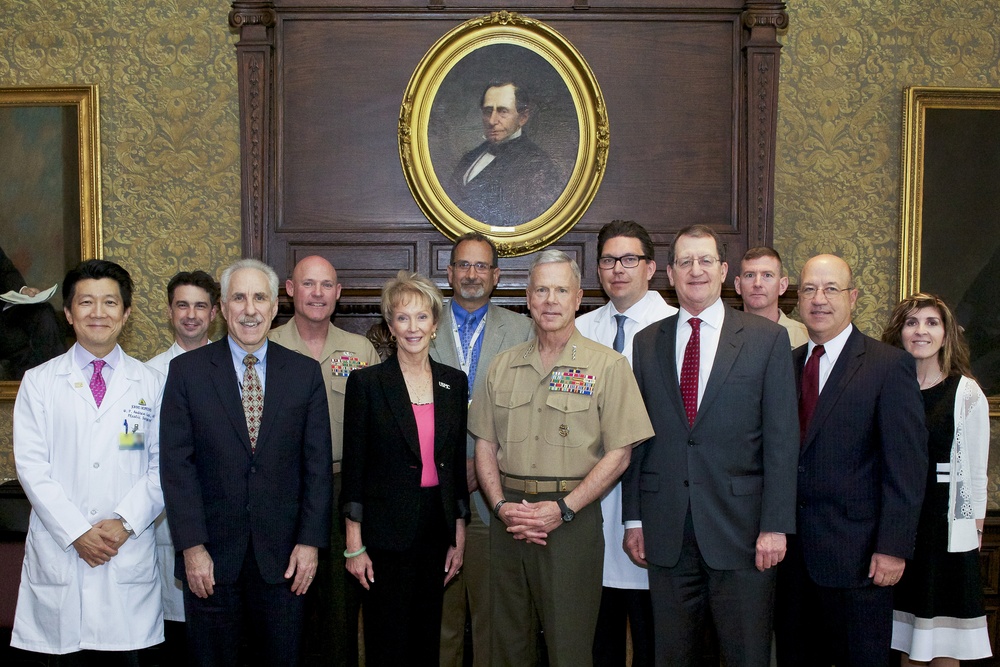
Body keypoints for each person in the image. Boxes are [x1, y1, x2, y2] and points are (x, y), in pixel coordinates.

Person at [622, 224, 799, 667]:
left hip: (743, 533)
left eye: (705, 261)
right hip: (667, 532)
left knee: (745, 655)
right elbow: (636, 438)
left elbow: (781, 440)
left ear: (722, 271)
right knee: (672, 655)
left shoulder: (766, 340)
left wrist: (775, 525)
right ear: (669, 273)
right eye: (685, 262)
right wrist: (633, 518)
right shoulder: (647, 343)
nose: (695, 270)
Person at [470, 249, 654, 667]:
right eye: (541, 290)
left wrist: (562, 509)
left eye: (560, 290)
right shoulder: (500, 367)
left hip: (571, 520)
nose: (550, 300)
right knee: (506, 645)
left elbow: (620, 452)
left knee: (569, 648)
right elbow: (485, 444)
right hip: (508, 518)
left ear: (578, 298)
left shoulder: (607, 366)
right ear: (528, 299)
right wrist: (500, 507)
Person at [159, 258, 333, 667]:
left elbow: (317, 466)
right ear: (222, 306)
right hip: (212, 562)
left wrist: (309, 544)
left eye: (260, 298)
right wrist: (192, 547)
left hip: (285, 560)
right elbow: (176, 467)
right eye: (239, 297)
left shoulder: (304, 374)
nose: (250, 309)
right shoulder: (187, 372)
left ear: (275, 307)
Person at [774, 254, 928, 667]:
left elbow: (907, 469)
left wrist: (893, 548)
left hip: (860, 561)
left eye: (830, 289)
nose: (818, 299)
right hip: (791, 562)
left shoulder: (888, 365)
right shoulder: (786, 366)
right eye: (808, 289)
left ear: (853, 297)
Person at [12, 259, 165, 660]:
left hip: (125, 554)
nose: (98, 313)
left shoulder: (152, 384)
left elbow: (164, 467)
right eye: (86, 303)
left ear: (126, 313)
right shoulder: (40, 382)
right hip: (61, 555)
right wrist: (77, 531)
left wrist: (125, 522)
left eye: (110, 303)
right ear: (68, 313)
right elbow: (31, 468)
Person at [341, 271, 469, 666]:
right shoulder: (367, 383)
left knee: (426, 639)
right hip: (383, 537)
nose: (412, 327)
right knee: (386, 642)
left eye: (421, 318)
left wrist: (459, 534)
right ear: (390, 325)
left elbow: (456, 469)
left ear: (434, 325)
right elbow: (354, 468)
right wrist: (354, 544)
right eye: (402, 318)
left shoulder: (454, 382)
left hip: (435, 529)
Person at [269, 255, 380, 667]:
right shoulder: (268, 346)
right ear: (290, 289)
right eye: (308, 284)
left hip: (339, 489)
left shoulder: (360, 350)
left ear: (338, 293)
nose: (317, 293)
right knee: (283, 607)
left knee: (339, 612)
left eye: (326, 285)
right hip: (281, 490)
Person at [429, 233, 533, 667]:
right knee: (440, 618)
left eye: (481, 267)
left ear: (495, 276)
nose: (471, 274)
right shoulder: (419, 322)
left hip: (495, 495)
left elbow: (532, 412)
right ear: (449, 272)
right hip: (432, 493)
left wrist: (482, 463)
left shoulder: (523, 329)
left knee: (495, 616)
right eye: (463, 265)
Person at [575, 220, 676, 666]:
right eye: (609, 260)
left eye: (629, 259)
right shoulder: (579, 329)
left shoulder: (676, 327)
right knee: (599, 639)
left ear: (651, 267)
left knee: (657, 639)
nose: (618, 269)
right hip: (589, 497)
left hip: (654, 503)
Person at [882, 293, 992, 664]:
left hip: (945, 530)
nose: (921, 331)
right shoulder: (887, 387)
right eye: (912, 322)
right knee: (905, 636)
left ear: (946, 334)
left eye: (931, 323)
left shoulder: (965, 392)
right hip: (898, 527)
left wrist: (973, 532)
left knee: (944, 640)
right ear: (900, 332)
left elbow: (976, 473)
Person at [145, 269, 220, 661]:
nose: (191, 314)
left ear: (214, 313)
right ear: (169, 311)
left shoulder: (235, 369)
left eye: (200, 306)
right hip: (164, 527)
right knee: (173, 642)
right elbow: (136, 448)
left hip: (225, 529)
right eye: (182, 305)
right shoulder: (147, 376)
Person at [448, 81, 563, 227]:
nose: (492, 121)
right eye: (488, 111)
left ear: (523, 117)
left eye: (503, 111)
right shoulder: (469, 158)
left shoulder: (538, 164)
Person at [0, 243, 65, 380]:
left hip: (4, 316)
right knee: (23, 350)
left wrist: (22, 290)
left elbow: (6, 272)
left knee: (44, 313)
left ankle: (61, 381)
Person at [733, 246, 809, 348]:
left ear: (782, 286)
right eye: (750, 275)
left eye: (767, 275)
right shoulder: (721, 335)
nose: (757, 283)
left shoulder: (805, 338)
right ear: (738, 285)